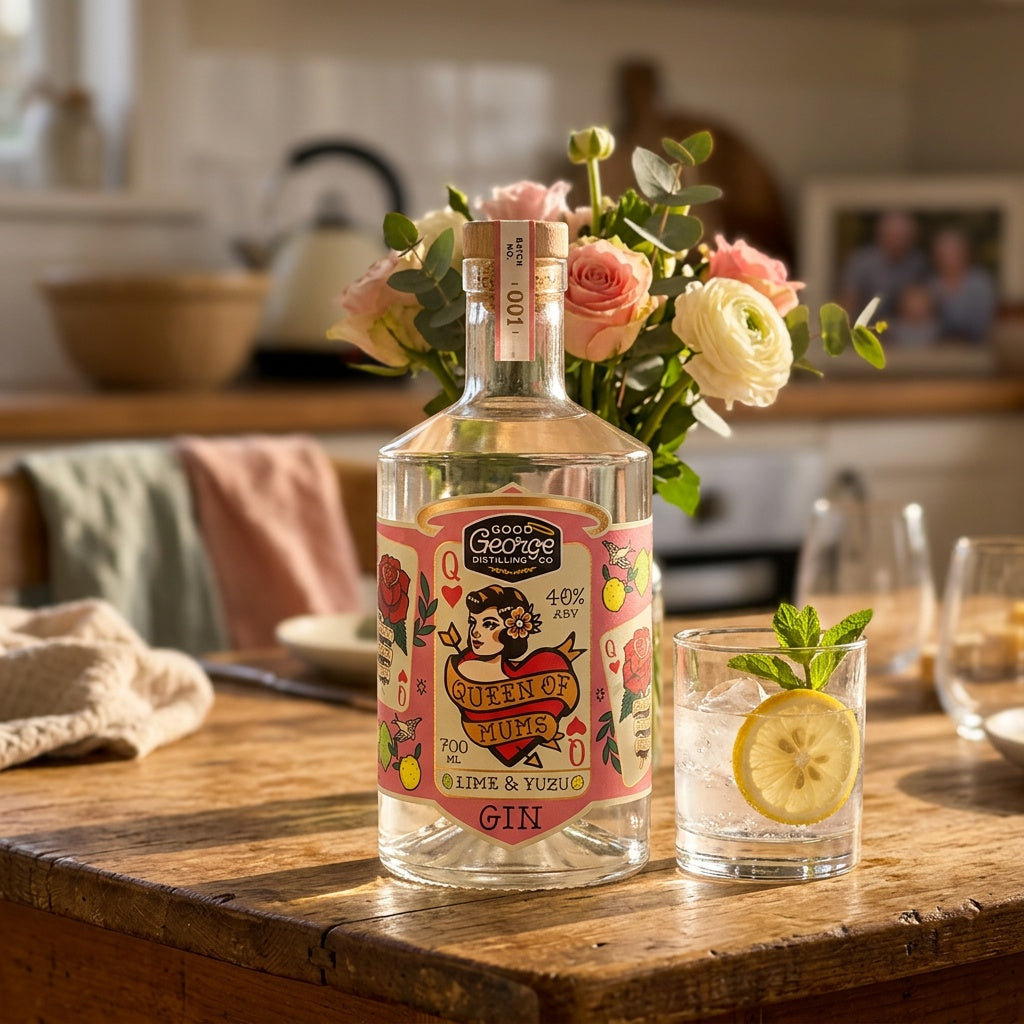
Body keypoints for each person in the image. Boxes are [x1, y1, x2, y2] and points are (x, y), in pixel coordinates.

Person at [840, 210, 928, 322]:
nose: (899, 242)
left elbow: (922, 301)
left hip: (903, 326)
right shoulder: (861, 262)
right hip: (865, 325)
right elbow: (848, 300)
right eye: (894, 236)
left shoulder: (917, 262)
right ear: (880, 235)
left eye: (904, 237)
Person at [927, 227, 997, 342]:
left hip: (977, 345)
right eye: (942, 253)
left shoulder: (980, 283)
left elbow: (985, 322)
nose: (947, 258)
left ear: (965, 253)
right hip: (939, 347)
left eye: (953, 252)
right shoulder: (929, 285)